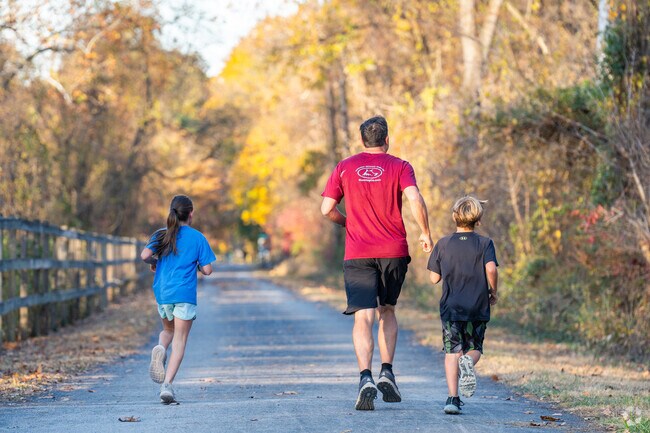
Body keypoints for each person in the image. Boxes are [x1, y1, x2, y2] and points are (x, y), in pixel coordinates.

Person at [320, 115, 432, 411]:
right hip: (392, 251)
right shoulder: (401, 166)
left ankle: (365, 377)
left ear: (362, 141)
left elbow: (326, 208)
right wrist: (425, 233)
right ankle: (387, 371)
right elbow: (415, 198)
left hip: (357, 252)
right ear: (386, 140)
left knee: (363, 317)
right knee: (388, 310)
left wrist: (348, 223)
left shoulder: (345, 166)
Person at [140, 195, 216, 404]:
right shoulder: (198, 238)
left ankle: (161, 349)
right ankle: (167, 385)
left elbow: (144, 256)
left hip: (163, 293)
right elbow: (208, 270)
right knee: (180, 341)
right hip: (184, 295)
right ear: (190, 214)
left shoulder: (161, 235)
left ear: (171, 212)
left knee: (168, 331)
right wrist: (199, 265)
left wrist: (157, 261)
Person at [427, 196, 499, 415]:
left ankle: (452, 399)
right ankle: (468, 361)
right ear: (478, 219)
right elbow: (491, 270)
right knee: (475, 347)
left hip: (451, 307)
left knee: (451, 351)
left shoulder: (443, 243)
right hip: (477, 305)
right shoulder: (485, 243)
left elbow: (434, 278)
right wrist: (493, 291)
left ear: (454, 217)